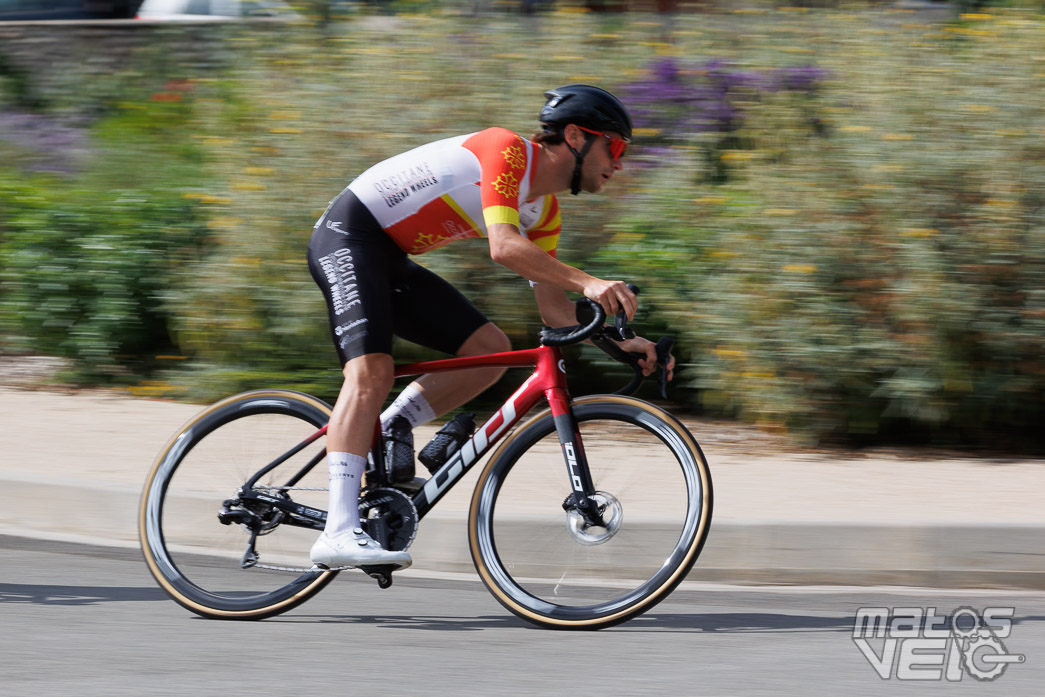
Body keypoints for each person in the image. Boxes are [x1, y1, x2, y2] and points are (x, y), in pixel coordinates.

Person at [306, 84, 675, 569]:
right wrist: (589, 282)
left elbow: (555, 312)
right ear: (575, 137)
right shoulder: (505, 149)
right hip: (348, 238)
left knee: (488, 350)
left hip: (390, 258)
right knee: (371, 373)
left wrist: (625, 341)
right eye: (616, 147)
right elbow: (502, 246)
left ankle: (393, 425)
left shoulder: (543, 211)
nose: (620, 163)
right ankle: (337, 531)